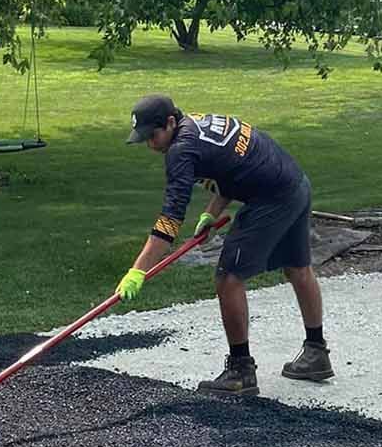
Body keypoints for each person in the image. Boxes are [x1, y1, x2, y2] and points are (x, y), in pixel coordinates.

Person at [118, 94, 331, 398]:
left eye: (153, 136)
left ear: (169, 122)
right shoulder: (195, 123)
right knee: (297, 268)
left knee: (228, 277)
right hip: (295, 183)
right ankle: (316, 353)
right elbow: (231, 167)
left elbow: (170, 219)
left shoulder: (181, 149)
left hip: (272, 197)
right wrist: (211, 213)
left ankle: (241, 370)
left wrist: (137, 271)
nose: (151, 145)